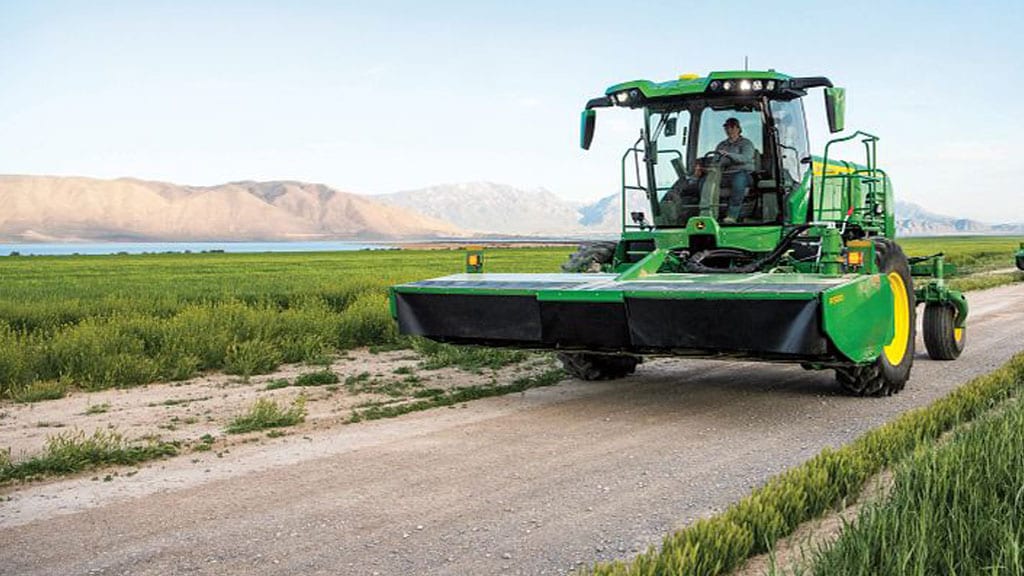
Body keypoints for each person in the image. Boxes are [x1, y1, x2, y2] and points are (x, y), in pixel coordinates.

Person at [695, 117, 755, 223]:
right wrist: (706, 168)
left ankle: (732, 215)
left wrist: (729, 155)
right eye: (727, 127)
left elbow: (745, 158)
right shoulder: (722, 145)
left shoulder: (746, 143)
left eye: (732, 127)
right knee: (704, 181)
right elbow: (716, 161)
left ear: (738, 128)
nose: (729, 130)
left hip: (743, 173)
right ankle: (707, 213)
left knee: (738, 182)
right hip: (724, 174)